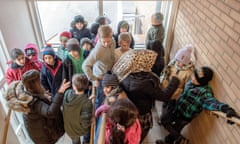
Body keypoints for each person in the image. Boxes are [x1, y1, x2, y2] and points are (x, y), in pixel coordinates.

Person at [156, 66, 239, 144]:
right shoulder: (191, 82)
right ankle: (179, 139)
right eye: (194, 76)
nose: (193, 79)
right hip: (178, 107)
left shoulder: (204, 92)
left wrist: (226, 109)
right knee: (165, 120)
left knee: (176, 129)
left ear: (202, 82)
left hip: (185, 116)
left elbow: (212, 103)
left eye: (196, 79)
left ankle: (169, 141)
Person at [112, 49, 180, 142]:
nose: (151, 64)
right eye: (149, 62)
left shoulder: (125, 75)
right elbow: (164, 96)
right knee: (140, 133)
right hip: (142, 113)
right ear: (142, 64)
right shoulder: (145, 84)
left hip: (130, 111)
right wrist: (174, 81)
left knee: (131, 132)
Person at [5, 70, 70, 144]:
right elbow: (50, 112)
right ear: (35, 84)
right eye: (39, 81)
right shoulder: (33, 102)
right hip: (44, 136)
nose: (40, 82)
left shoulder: (25, 91)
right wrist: (60, 92)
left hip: (38, 131)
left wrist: (44, 96)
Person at [82, 25, 116, 110]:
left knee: (110, 96)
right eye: (103, 41)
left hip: (109, 72)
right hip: (100, 76)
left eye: (108, 41)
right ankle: (98, 116)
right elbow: (85, 66)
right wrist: (93, 79)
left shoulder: (113, 42)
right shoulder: (97, 51)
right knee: (100, 98)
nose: (106, 44)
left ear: (111, 37)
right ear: (99, 38)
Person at [63, 74, 92, 144]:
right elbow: (85, 124)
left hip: (68, 128)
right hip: (79, 130)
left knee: (75, 141)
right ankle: (86, 142)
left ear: (74, 86)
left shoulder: (67, 93)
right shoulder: (87, 102)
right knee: (89, 128)